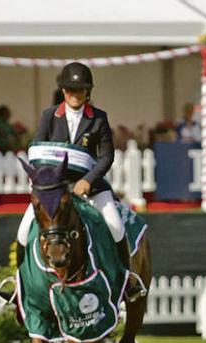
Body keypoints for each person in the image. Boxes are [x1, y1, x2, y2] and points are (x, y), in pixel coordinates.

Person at [16, 62, 145, 302]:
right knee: (24, 230)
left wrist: (87, 180)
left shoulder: (98, 118)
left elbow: (107, 156)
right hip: (55, 189)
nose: (75, 95)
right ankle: (18, 283)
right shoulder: (49, 116)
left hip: (90, 187)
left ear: (88, 92)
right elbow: (37, 149)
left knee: (115, 225)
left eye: (80, 90)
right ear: (63, 91)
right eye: (70, 90)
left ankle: (126, 279)